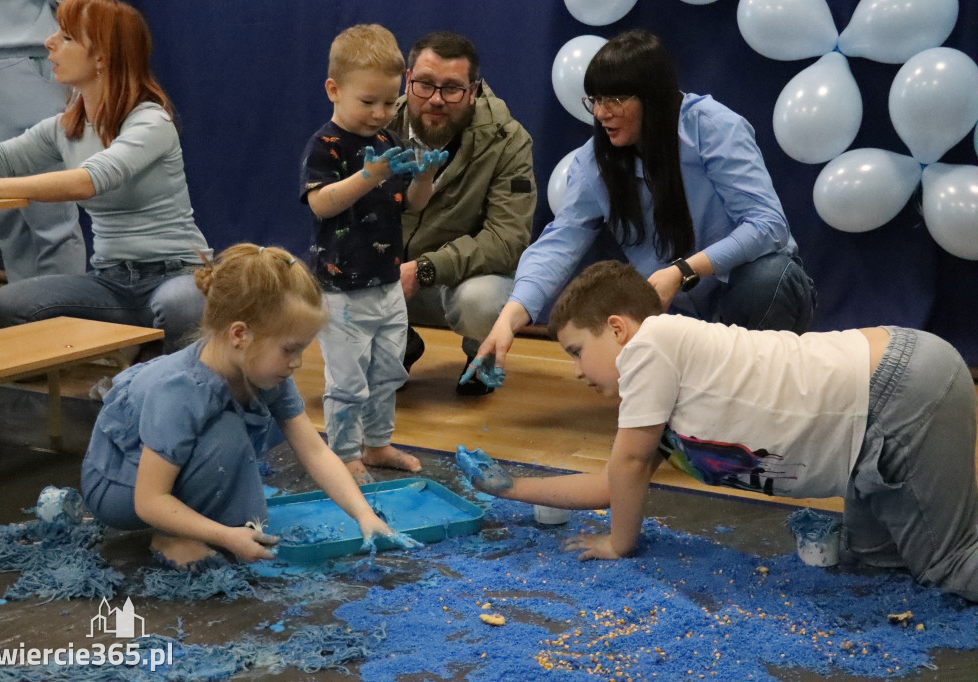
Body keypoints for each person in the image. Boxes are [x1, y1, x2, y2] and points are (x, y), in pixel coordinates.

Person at [465, 259, 978, 601]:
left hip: (899, 391)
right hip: (881, 405)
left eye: (578, 352)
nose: (578, 371)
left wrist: (620, 544)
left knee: (950, 569)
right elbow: (614, 483)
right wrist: (511, 487)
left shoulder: (651, 344)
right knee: (874, 562)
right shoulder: (670, 387)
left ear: (618, 329)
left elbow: (629, 464)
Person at [477, 29, 816, 372]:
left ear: (653, 98)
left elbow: (768, 225)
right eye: (594, 99)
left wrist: (682, 271)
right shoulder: (593, 162)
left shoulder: (713, 127)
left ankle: (748, 395)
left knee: (769, 277)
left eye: (614, 100)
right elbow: (559, 242)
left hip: (742, 295)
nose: (600, 113)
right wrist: (510, 316)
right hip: (673, 312)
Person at [81, 243, 398, 567]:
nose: (297, 363)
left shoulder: (263, 369)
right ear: (239, 335)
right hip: (119, 485)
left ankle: (199, 522)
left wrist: (364, 514)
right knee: (226, 435)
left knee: (248, 431)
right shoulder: (179, 391)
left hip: (160, 469)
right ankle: (171, 535)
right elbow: (149, 500)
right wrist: (226, 535)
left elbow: (315, 451)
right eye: (289, 349)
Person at [0, 0, 209, 353]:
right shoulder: (64, 126)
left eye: (67, 37)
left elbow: (89, 179)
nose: (49, 42)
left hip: (175, 274)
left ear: (102, 57)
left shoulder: (152, 121)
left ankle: (148, 372)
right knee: (6, 306)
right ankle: (125, 361)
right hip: (110, 281)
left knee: (180, 306)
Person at [300, 24, 446, 484]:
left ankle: (377, 443)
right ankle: (343, 453)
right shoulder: (324, 145)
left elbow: (412, 204)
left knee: (388, 373)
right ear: (333, 89)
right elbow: (321, 203)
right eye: (368, 102)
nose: (381, 113)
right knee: (347, 382)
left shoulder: (387, 144)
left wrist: (423, 178)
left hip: (386, 284)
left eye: (388, 101)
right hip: (340, 291)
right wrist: (369, 176)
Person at [390, 31, 536, 396]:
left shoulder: (509, 140)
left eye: (452, 88)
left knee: (481, 302)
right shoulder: (377, 127)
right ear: (407, 80)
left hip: (457, 283)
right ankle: (397, 347)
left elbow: (508, 239)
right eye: (424, 84)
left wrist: (426, 269)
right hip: (389, 276)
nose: (436, 100)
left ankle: (480, 355)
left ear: (474, 91)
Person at [0, 0, 85, 283]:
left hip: (23, 57)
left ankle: (64, 319)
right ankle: (27, 316)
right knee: (3, 218)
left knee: (50, 218)